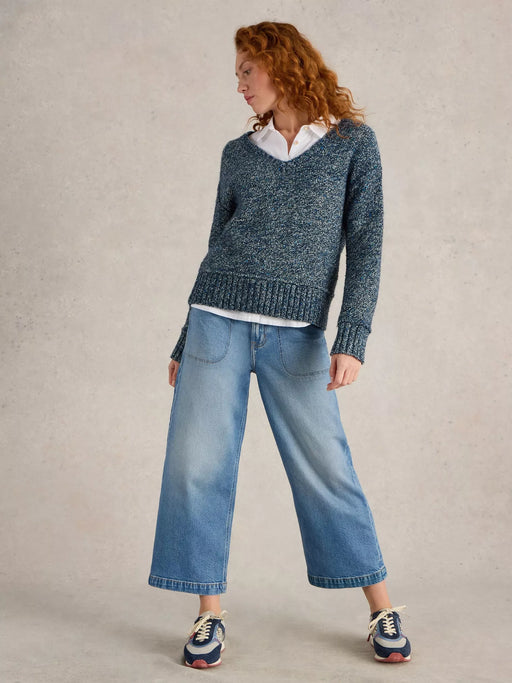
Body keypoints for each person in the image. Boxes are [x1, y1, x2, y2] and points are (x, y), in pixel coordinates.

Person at [148, 21, 412, 669]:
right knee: (198, 465)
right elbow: (217, 245)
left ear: (282, 64)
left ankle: (381, 607)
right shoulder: (238, 154)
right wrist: (185, 338)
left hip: (298, 334)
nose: (239, 84)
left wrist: (353, 336)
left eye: (247, 70)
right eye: (238, 73)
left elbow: (367, 245)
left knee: (327, 466)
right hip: (215, 322)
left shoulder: (353, 145)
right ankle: (208, 615)